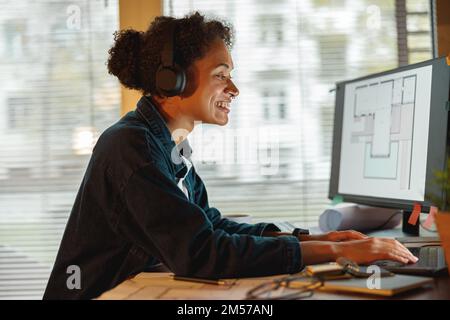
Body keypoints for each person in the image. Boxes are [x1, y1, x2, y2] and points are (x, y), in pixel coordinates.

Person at [43, 12, 417, 300]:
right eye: (221, 75)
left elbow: (209, 226)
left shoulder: (167, 143)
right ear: (173, 79)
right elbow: (203, 253)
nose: (234, 89)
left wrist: (316, 240)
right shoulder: (131, 147)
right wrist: (332, 251)